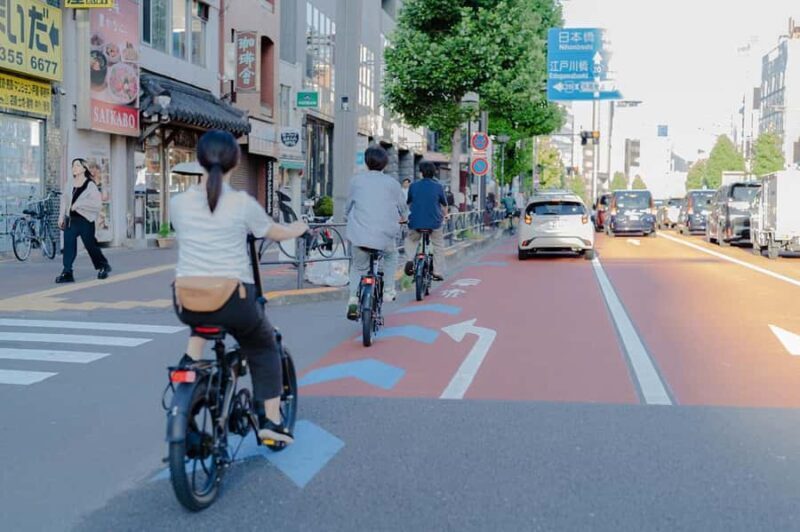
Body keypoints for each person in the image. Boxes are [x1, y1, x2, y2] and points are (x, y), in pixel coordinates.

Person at [170, 130, 308, 445]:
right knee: (263, 346)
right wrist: (298, 229)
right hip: (233, 298)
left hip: (187, 298)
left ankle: (187, 376)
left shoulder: (178, 203)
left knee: (202, 327)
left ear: (199, 161)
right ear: (235, 162)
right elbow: (272, 231)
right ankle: (271, 422)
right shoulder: (241, 203)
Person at [345, 145, 407, 320]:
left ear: (366, 162)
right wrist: (405, 218)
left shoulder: (356, 181)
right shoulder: (393, 184)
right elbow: (402, 208)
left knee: (358, 267)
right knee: (391, 255)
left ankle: (353, 299)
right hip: (384, 236)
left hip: (359, 234)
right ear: (385, 164)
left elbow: (348, 205)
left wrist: (345, 215)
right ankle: (388, 289)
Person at [56, 159, 112, 283]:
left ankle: (103, 266)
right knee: (68, 245)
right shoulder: (69, 184)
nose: (74, 168)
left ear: (83, 168)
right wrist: (61, 216)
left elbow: (96, 204)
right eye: (73, 166)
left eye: (77, 165)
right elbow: (64, 201)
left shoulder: (90, 185)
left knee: (91, 246)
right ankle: (67, 272)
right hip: (71, 220)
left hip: (85, 221)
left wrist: (79, 204)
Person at [404, 160, 447, 281]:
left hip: (416, 222)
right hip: (434, 222)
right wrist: (446, 215)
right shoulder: (438, 187)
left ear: (421, 173)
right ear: (434, 173)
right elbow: (444, 205)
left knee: (411, 240)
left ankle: (409, 259)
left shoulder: (413, 186)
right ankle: (437, 271)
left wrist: (403, 218)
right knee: (438, 245)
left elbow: (408, 203)